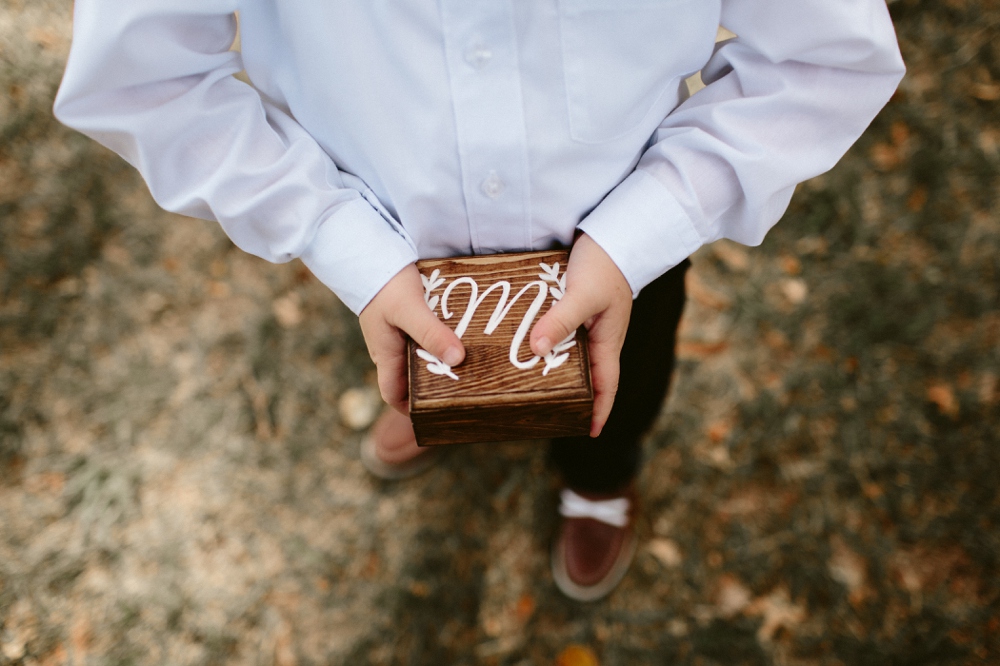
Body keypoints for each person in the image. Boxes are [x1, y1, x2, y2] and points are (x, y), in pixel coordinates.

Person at [54, 0, 905, 601]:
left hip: (617, 246)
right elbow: (145, 76)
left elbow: (821, 56)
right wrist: (334, 236)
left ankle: (597, 481)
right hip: (388, 239)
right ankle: (450, 408)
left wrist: (647, 226)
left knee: (622, 386)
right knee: (419, 366)